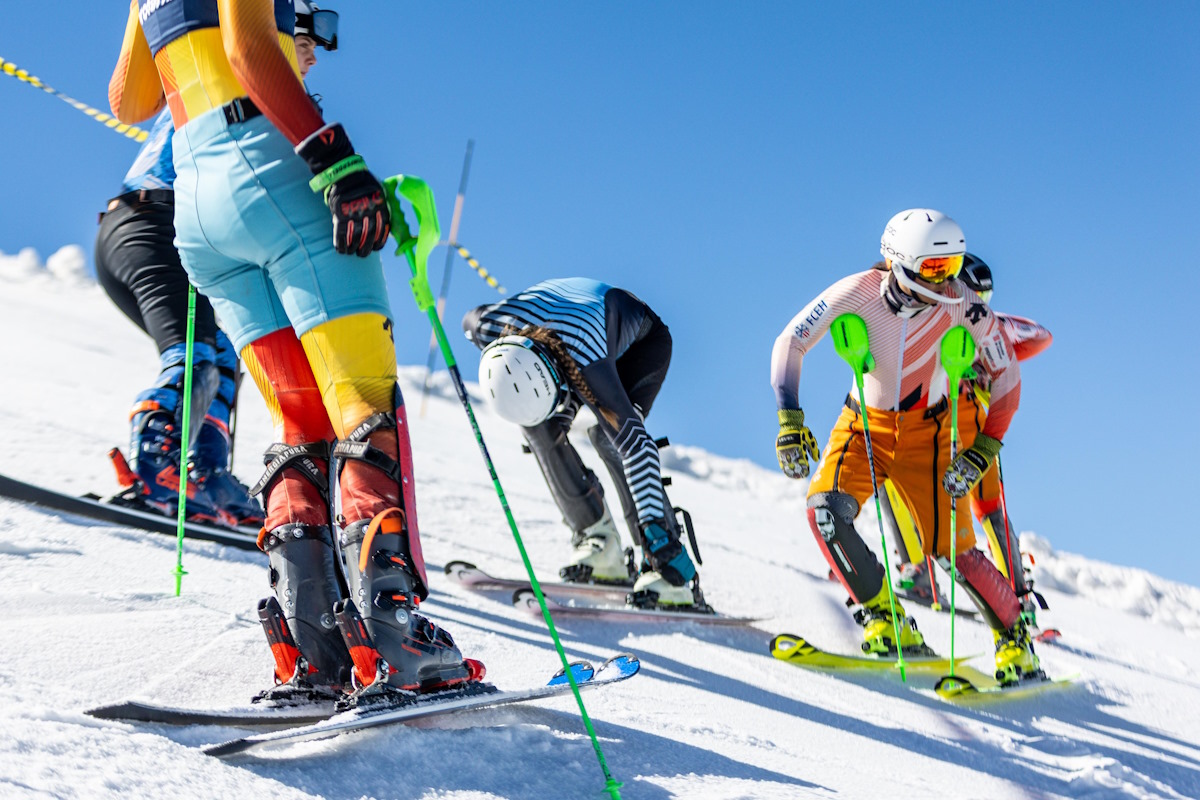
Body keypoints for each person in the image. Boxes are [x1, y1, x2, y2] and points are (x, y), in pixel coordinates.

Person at [109, 0, 480, 700]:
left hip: (199, 204)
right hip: (272, 168)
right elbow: (250, 50)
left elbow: (131, 100)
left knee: (297, 421)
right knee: (361, 402)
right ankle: (395, 638)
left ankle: (315, 646)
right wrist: (336, 162)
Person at [771, 209, 1040, 684]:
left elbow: (1007, 379)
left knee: (952, 552)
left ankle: (1015, 641)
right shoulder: (855, 292)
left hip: (931, 436)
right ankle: (884, 617)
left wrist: (983, 450)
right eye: (935, 269)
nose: (948, 281)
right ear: (898, 261)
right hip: (863, 426)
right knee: (825, 512)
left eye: (952, 268)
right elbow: (791, 342)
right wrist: (790, 417)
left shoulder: (965, 305)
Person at [462, 278, 705, 609]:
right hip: (564, 340)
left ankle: (668, 567)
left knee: (612, 438)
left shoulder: (585, 353)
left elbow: (638, 447)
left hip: (637, 345)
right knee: (540, 430)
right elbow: (468, 319)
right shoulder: (489, 329)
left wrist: (656, 533)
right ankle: (599, 541)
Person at [883, 254, 1053, 627]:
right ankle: (918, 572)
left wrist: (990, 355)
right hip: (932, 424)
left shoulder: (984, 326)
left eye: (981, 300)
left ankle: (1018, 597)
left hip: (973, 425)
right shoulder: (922, 320)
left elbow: (1039, 335)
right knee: (891, 480)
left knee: (987, 504)